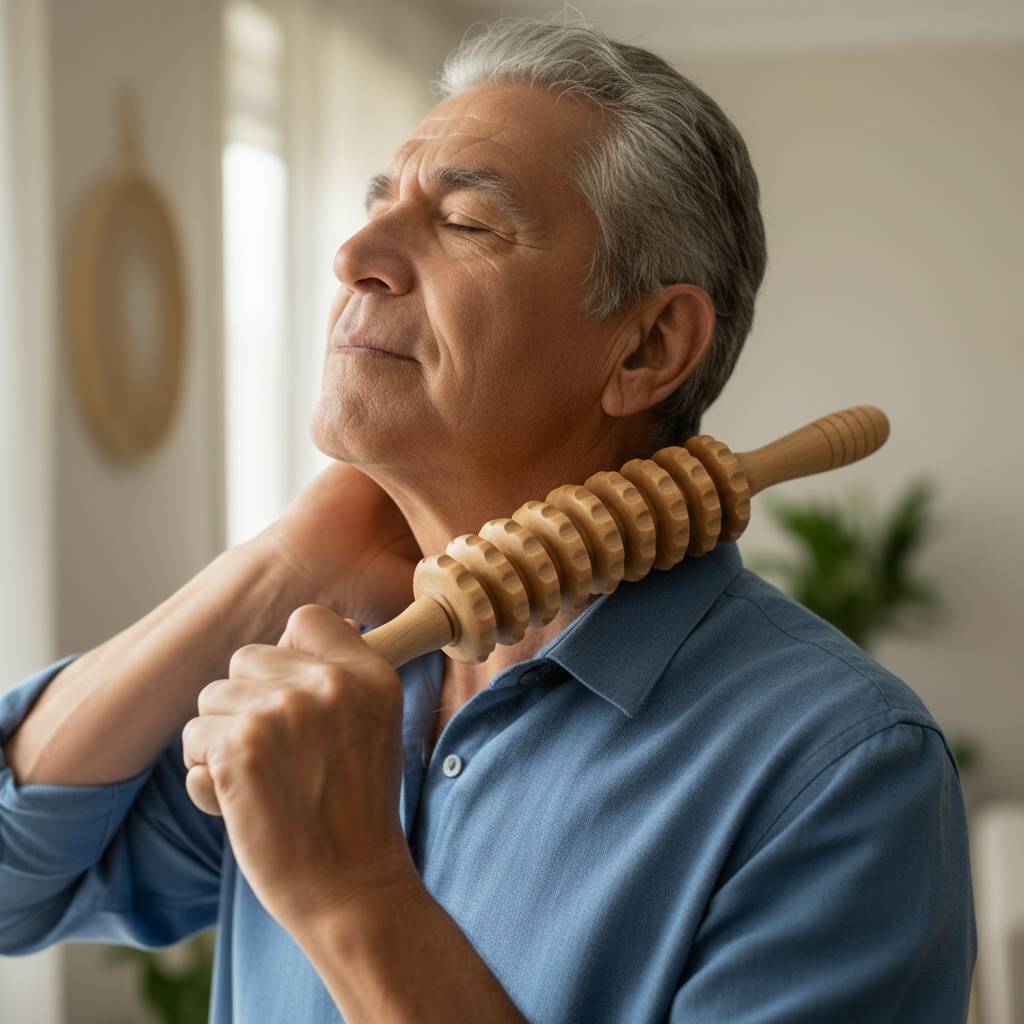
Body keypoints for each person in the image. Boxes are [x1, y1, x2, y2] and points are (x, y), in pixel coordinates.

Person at [0, 17, 973, 1024]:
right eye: (379, 205)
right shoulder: (332, 678)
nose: (355, 254)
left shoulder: (840, 769)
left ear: (646, 346)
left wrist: (355, 897)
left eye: (464, 221)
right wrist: (275, 565)